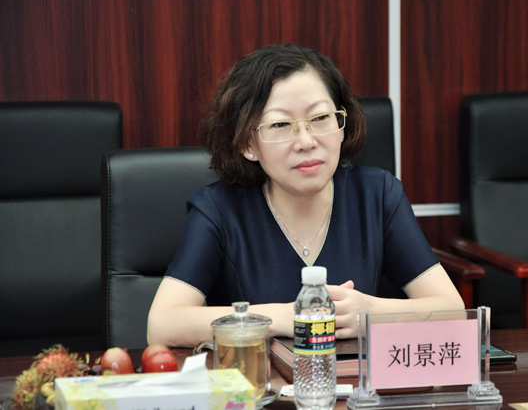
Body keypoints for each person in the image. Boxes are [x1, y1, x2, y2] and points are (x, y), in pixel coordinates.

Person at [147, 44, 464, 347]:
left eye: (320, 118)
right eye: (280, 124)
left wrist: (372, 313)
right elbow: (162, 325)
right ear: (247, 143)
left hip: (350, 382)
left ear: (341, 124)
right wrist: (285, 317)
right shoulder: (218, 210)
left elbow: (452, 309)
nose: (306, 141)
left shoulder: (377, 195)